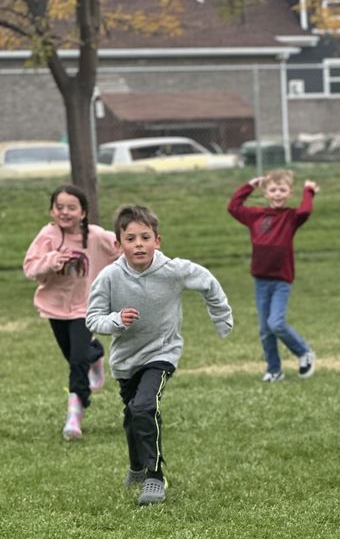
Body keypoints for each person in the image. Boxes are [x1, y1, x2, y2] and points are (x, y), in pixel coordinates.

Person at [86, 203, 233, 506]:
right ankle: (137, 468)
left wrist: (222, 318)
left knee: (144, 406)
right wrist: (116, 321)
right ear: (118, 244)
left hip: (162, 352)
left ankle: (155, 477)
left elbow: (209, 283)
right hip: (126, 360)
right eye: (130, 238)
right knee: (132, 414)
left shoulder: (174, 270)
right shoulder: (109, 277)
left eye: (145, 237)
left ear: (157, 240)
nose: (138, 244)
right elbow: (93, 318)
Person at [23, 185, 117, 440]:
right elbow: (30, 268)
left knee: (77, 361)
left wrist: (149, 258)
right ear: (52, 211)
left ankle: (74, 416)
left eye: (71, 208)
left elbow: (123, 250)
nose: (65, 212)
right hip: (54, 307)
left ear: (83, 212)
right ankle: (95, 353)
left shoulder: (96, 236)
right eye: (59, 207)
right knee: (75, 355)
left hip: (85, 308)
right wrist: (52, 260)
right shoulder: (48, 235)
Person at [227, 170, 317, 383]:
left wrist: (309, 190)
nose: (278, 194)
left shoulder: (291, 217)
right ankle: (274, 370)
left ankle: (304, 353)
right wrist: (248, 185)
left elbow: (305, 210)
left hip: (281, 281)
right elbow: (233, 207)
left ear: (289, 192)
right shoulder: (255, 215)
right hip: (261, 281)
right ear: (266, 193)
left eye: (282, 190)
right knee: (266, 330)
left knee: (276, 323)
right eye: (273, 190)